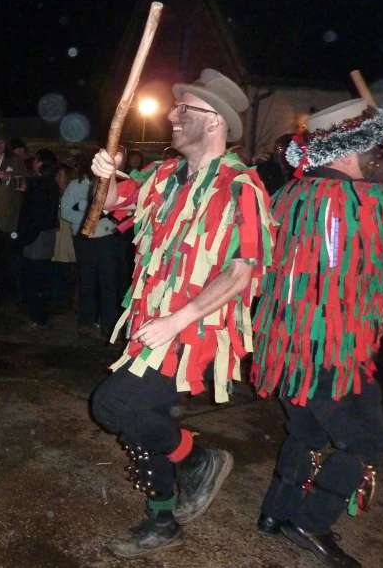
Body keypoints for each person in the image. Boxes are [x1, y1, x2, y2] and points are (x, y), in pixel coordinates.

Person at [89, 69, 275, 558]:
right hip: (152, 329)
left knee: (112, 406)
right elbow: (113, 203)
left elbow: (242, 272)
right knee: (141, 417)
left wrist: (176, 320)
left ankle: (199, 459)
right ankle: (163, 519)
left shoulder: (242, 188)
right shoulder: (165, 177)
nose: (171, 116)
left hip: (195, 334)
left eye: (184, 110)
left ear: (214, 122)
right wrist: (104, 176)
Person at [251, 99, 383, 568]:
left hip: (288, 346)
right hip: (333, 351)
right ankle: (311, 521)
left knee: (307, 432)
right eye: (369, 149)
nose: (378, 156)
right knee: (366, 440)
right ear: (342, 153)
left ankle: (276, 514)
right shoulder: (374, 202)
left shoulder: (286, 197)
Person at [61, 159, 120, 338]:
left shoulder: (110, 185)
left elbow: (118, 210)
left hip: (105, 238)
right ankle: (86, 322)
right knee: (87, 280)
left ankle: (108, 324)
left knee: (108, 281)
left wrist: (106, 215)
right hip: (84, 239)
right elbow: (65, 212)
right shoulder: (74, 186)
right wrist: (90, 215)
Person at [14, 149, 60, 329]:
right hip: (43, 237)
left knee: (35, 278)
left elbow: (35, 215)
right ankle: (40, 315)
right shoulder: (47, 185)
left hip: (37, 238)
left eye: (36, 160)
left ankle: (38, 317)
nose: (33, 163)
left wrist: (24, 237)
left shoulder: (41, 186)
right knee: (40, 277)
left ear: (40, 164)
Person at [0, 130, 29, 303]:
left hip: (9, 219)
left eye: (2, 141)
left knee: (8, 257)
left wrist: (9, 176)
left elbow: (26, 182)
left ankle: (9, 295)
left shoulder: (15, 161)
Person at [50, 163, 77, 313]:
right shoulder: (54, 193)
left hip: (66, 238)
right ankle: (57, 301)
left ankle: (63, 301)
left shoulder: (72, 195)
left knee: (65, 270)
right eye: (57, 175)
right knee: (56, 270)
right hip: (56, 238)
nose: (57, 179)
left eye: (61, 176)